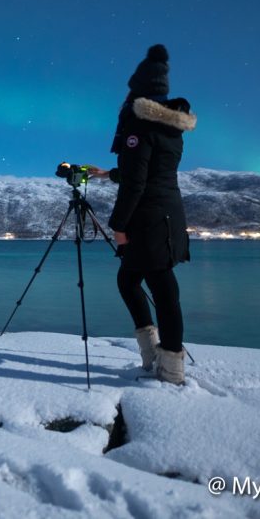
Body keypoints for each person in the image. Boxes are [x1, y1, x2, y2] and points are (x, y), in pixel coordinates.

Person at [90, 44, 196, 385]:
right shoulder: (169, 127)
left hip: (147, 218)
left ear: (138, 91)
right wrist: (109, 174)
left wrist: (118, 226)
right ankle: (160, 361)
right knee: (148, 284)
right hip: (168, 215)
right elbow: (149, 172)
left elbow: (137, 183)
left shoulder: (138, 126)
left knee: (158, 288)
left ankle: (166, 368)